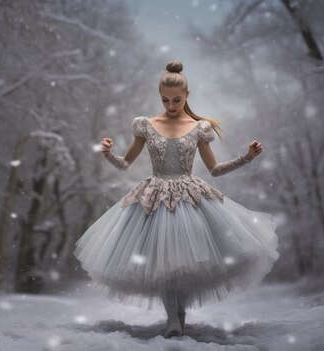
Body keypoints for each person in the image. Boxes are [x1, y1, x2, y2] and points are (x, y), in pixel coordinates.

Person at [72, 60, 280, 338]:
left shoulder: (198, 128)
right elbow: (125, 164)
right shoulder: (145, 125)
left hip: (189, 197)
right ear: (159, 97)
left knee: (184, 257)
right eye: (165, 100)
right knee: (162, 260)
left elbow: (215, 170)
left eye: (177, 100)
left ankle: (177, 316)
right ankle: (173, 317)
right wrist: (108, 153)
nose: (171, 105)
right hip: (153, 196)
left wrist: (247, 157)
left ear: (187, 95)